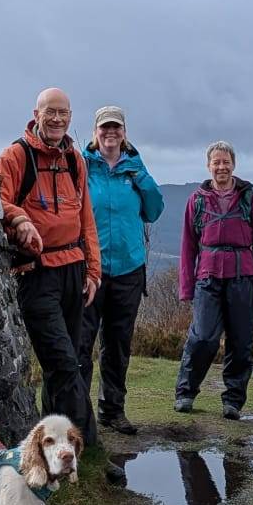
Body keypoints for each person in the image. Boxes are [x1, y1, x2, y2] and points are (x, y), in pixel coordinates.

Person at [0, 88, 101, 447]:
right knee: (65, 364)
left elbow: (86, 217)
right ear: (36, 114)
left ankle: (54, 449)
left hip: (73, 269)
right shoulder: (15, 156)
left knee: (66, 368)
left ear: (71, 117)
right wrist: (20, 219)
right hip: (36, 274)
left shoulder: (74, 158)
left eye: (64, 113)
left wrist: (93, 271)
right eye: (50, 112)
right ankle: (86, 447)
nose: (57, 119)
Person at [79, 105, 166, 435]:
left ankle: (112, 411)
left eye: (116, 127)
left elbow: (154, 211)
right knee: (82, 345)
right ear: (96, 132)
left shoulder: (135, 167)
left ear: (124, 132)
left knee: (117, 345)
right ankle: (79, 417)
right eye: (104, 127)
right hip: (91, 270)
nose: (110, 133)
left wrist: (141, 178)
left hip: (129, 269)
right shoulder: (83, 166)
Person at [174, 140, 253, 420]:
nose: (221, 167)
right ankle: (185, 393)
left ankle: (233, 401)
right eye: (216, 162)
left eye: (225, 162)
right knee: (203, 337)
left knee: (241, 342)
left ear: (234, 165)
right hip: (208, 277)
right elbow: (187, 246)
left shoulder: (249, 199)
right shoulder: (198, 200)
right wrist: (186, 287)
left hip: (243, 278)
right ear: (208, 166)